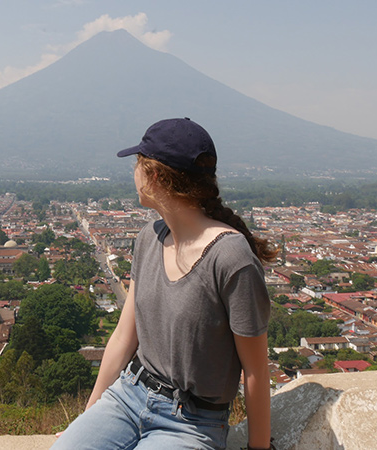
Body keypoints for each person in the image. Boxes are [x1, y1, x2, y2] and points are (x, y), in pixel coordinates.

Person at [52, 118, 276, 450]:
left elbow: (255, 369)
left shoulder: (231, 257)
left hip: (192, 422)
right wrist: (88, 418)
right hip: (129, 395)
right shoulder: (149, 238)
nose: (134, 175)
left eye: (137, 166)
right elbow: (124, 338)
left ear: (154, 176)